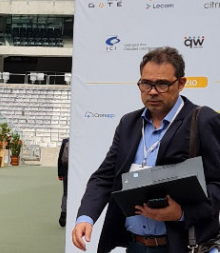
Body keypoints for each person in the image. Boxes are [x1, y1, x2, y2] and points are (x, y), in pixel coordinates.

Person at [72, 47, 220, 253]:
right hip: (136, 245)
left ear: (181, 84)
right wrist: (85, 217)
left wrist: (181, 213)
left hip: (180, 246)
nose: (152, 91)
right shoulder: (129, 123)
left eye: (162, 84)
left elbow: (217, 184)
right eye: (146, 83)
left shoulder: (203, 120)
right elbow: (104, 177)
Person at [58, 137, 69, 228]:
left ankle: (63, 212)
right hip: (76, 170)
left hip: (66, 170)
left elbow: (60, 157)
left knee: (66, 193)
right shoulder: (81, 141)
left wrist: (59, 173)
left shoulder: (65, 141)